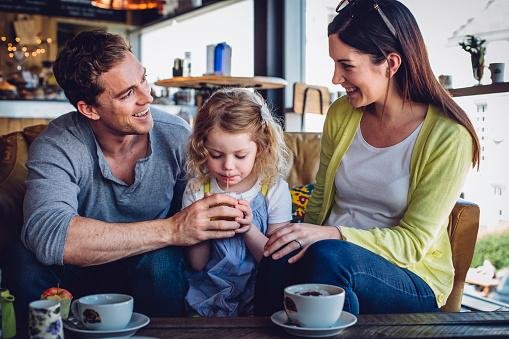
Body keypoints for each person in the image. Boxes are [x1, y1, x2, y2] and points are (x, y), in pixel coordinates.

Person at [3, 30, 246, 324]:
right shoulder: (57, 144)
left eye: (143, 78)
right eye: (127, 93)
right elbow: (50, 234)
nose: (148, 96)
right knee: (23, 259)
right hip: (77, 275)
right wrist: (170, 230)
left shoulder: (176, 135)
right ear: (89, 109)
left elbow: (204, 207)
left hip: (153, 273)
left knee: (161, 263)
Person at [256, 0, 480, 315]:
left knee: (329, 258)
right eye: (335, 64)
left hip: (408, 276)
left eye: (346, 65)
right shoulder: (341, 114)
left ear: (390, 63)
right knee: (277, 251)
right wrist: (298, 236)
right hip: (330, 255)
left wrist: (331, 235)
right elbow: (321, 196)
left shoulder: (448, 137)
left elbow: (413, 244)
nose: (335, 78)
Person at [183, 89, 292, 316]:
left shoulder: (273, 189)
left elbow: (274, 262)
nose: (228, 166)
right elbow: (197, 263)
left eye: (240, 156)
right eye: (216, 155)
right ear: (202, 147)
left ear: (260, 148)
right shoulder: (196, 189)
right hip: (208, 296)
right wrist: (203, 225)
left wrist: (248, 229)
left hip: (260, 295)